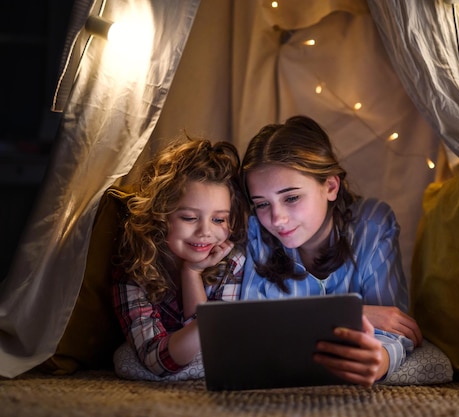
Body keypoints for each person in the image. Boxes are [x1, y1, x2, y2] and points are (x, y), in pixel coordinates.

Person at [240, 115, 422, 387]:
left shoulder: (372, 225)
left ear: (330, 186)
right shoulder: (257, 231)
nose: (276, 219)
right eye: (262, 203)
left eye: (291, 198)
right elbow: (248, 326)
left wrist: (380, 360)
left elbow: (393, 326)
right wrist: (354, 313)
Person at [111, 136, 247, 379]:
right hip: (165, 350)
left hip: (196, 350)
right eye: (189, 218)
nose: (205, 232)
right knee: (126, 358)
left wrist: (191, 273)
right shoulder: (135, 270)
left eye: (219, 219)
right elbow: (155, 357)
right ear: (161, 216)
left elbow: (213, 344)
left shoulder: (232, 261)